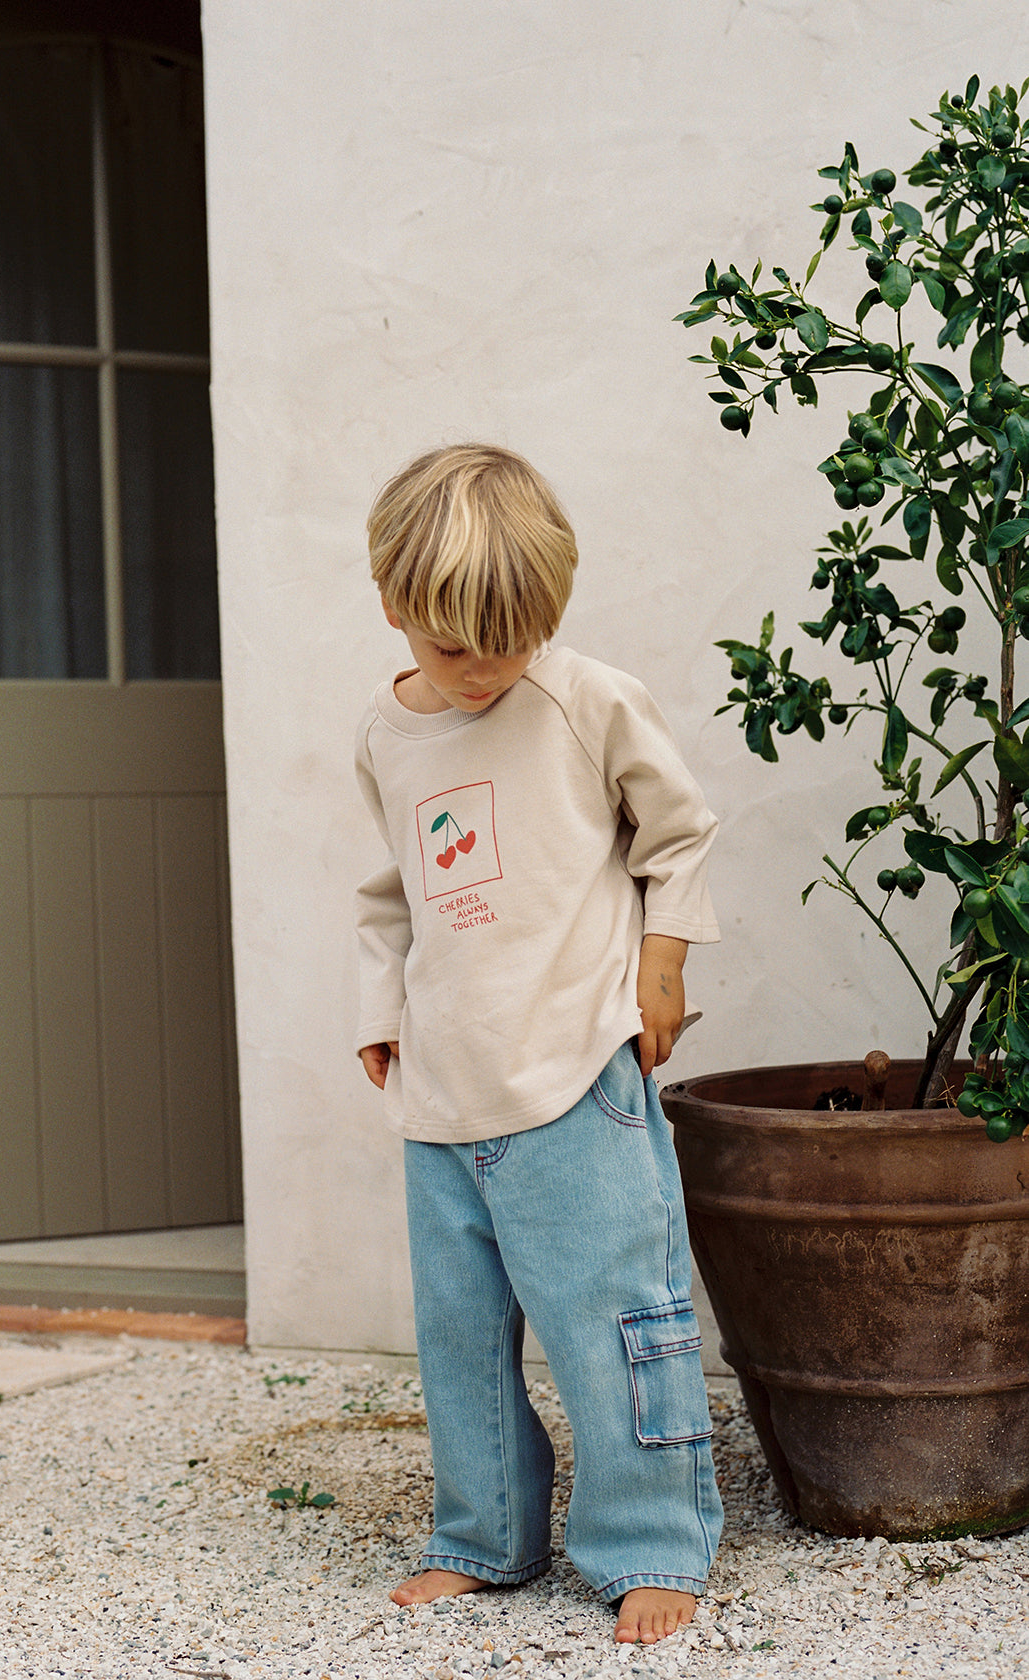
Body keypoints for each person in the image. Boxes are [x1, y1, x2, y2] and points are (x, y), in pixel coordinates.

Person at [354, 443, 724, 1646]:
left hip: (572, 1078)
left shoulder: (582, 699)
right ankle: (481, 1535)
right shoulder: (386, 736)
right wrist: (381, 1014)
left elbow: (675, 832)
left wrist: (660, 958)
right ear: (395, 606)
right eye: (454, 646)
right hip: (444, 1098)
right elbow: (387, 898)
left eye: (512, 644)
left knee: (615, 1325)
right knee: (460, 1341)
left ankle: (648, 1543)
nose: (484, 673)